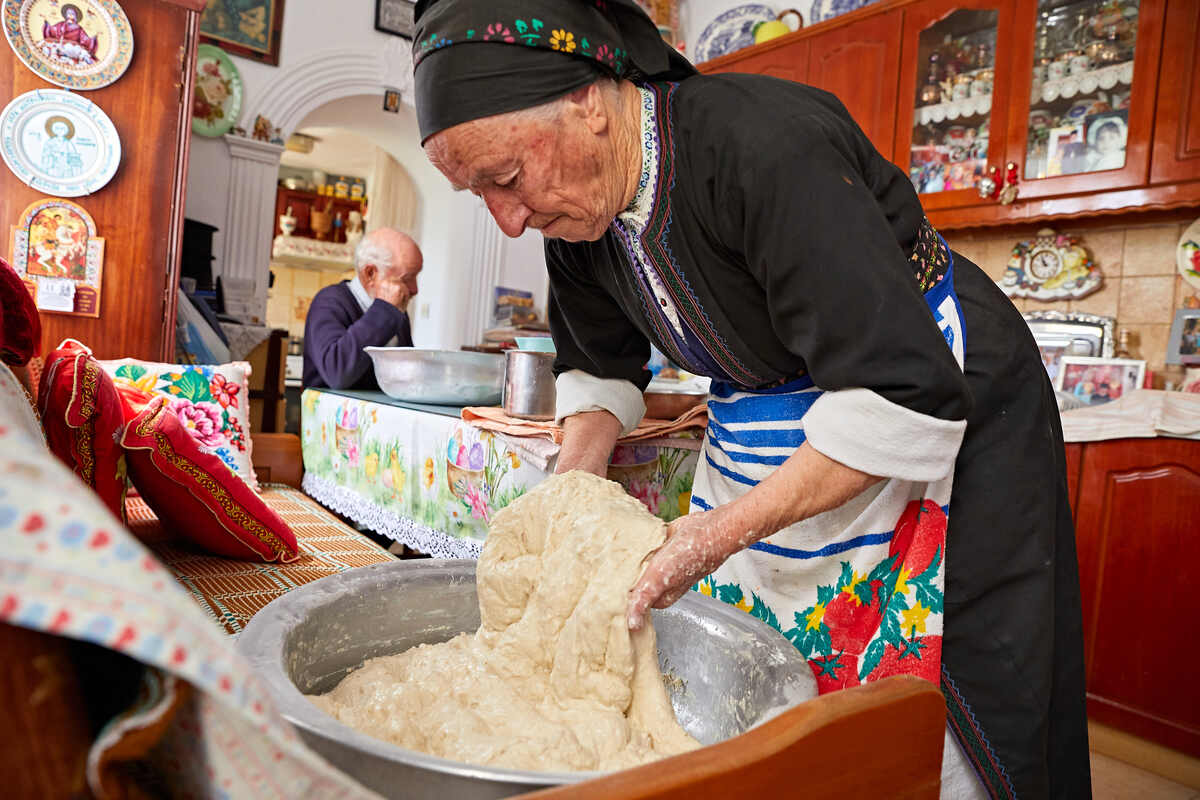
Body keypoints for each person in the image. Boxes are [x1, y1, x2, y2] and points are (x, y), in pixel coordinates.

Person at [412, 1, 1090, 797]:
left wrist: (715, 534)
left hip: (943, 398)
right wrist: (567, 493)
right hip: (771, 422)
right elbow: (601, 373)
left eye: (507, 177)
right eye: (477, 194)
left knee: (923, 710)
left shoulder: (760, 145)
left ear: (588, 103)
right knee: (767, 683)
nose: (510, 218)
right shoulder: (577, 222)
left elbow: (901, 390)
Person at [302, 228, 421, 390]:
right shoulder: (329, 302)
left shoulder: (396, 311)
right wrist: (384, 311)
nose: (415, 289)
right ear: (370, 273)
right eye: (407, 278)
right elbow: (337, 373)